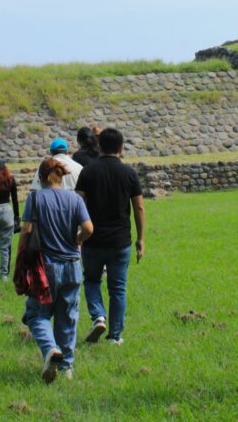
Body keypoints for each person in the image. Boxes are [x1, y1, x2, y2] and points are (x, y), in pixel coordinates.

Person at [19, 158, 94, 383]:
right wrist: (77, 240)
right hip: (72, 265)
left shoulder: (35, 198)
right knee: (68, 316)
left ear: (42, 177)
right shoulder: (75, 199)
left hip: (46, 267)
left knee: (36, 314)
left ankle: (50, 349)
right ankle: (67, 367)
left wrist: (21, 258)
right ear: (61, 177)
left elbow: (27, 230)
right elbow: (89, 228)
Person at [76, 127, 145, 345]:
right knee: (118, 289)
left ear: (100, 146)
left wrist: (76, 234)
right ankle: (115, 336)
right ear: (121, 148)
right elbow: (139, 208)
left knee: (92, 280)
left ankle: (98, 315)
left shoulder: (87, 171)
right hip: (120, 241)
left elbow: (78, 204)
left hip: (92, 240)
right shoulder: (129, 173)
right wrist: (140, 239)